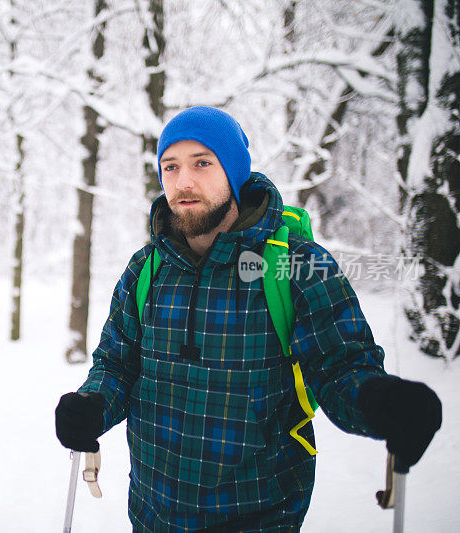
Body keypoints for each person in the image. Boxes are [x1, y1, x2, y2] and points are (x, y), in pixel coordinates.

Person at [54, 106, 442, 531]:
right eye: (171, 167)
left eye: (202, 163)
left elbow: (341, 367)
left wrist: (378, 400)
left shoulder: (295, 266)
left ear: (234, 172)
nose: (184, 181)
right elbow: (117, 364)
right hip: (152, 513)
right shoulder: (145, 270)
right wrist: (93, 404)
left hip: (260, 514)